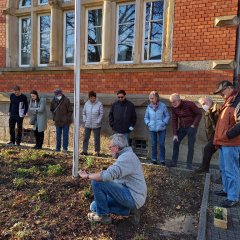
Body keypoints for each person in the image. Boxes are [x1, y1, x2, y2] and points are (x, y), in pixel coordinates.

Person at [78, 133, 147, 225]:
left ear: (116, 147)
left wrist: (87, 176)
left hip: (133, 197)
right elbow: (112, 177)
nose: (110, 150)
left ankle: (103, 216)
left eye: (110, 148)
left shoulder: (126, 158)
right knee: (94, 206)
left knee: (97, 182)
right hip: (129, 193)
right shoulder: (127, 155)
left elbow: (106, 176)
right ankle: (130, 211)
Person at [213, 80, 240, 208]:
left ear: (229, 88)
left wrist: (227, 135)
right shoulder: (229, 100)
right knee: (224, 169)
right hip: (224, 143)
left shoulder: (237, 101)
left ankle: (233, 197)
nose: (220, 94)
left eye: (222, 91)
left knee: (232, 170)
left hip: (231, 143)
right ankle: (226, 190)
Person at [168, 93, 202, 169]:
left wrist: (194, 125)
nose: (173, 104)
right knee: (175, 142)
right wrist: (175, 134)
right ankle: (174, 162)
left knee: (190, 146)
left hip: (191, 127)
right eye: (171, 102)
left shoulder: (189, 104)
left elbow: (199, 114)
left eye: (174, 101)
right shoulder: (174, 108)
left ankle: (189, 165)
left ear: (179, 100)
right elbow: (174, 120)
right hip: (182, 127)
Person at [194, 97, 221, 173]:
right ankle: (205, 168)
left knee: (207, 149)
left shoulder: (218, 108)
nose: (203, 106)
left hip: (219, 135)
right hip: (213, 136)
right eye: (201, 105)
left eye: (203, 104)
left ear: (209, 102)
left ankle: (204, 168)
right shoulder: (208, 111)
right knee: (207, 150)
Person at [144, 91, 170, 165]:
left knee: (161, 144)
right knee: (153, 144)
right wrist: (148, 123)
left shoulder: (163, 106)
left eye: (152, 98)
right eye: (150, 98)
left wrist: (164, 123)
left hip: (161, 128)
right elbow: (146, 117)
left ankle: (162, 160)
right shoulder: (149, 107)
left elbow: (167, 115)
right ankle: (154, 159)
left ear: (157, 98)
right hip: (152, 128)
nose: (151, 100)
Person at [81, 91, 103, 156]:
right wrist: (85, 120)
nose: (92, 99)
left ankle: (97, 151)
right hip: (87, 124)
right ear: (89, 98)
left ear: (95, 97)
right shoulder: (86, 104)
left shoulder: (99, 104)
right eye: (90, 98)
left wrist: (98, 121)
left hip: (96, 125)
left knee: (96, 139)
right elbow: (84, 113)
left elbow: (101, 114)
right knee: (86, 138)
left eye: (93, 98)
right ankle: (84, 151)